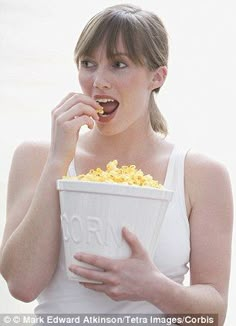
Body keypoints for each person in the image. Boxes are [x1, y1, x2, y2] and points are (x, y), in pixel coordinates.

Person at [0, 3, 233, 325]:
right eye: (88, 63)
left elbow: (214, 315)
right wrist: (58, 161)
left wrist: (153, 287)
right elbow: (21, 286)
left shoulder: (201, 174)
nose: (98, 81)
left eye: (119, 64)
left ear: (157, 76)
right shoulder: (36, 157)